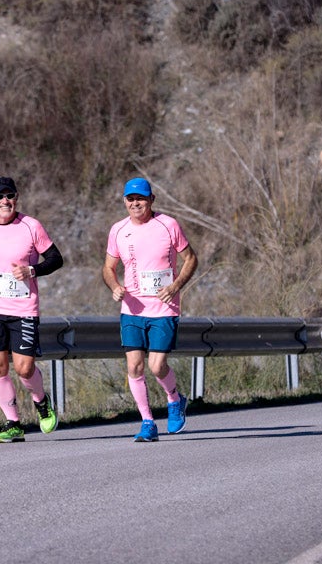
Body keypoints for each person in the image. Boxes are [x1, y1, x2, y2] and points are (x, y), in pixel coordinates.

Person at [0, 176, 63, 442]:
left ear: (16, 198)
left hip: (24, 309)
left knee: (25, 368)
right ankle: (13, 423)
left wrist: (32, 270)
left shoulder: (31, 226)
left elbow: (55, 259)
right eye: (0, 196)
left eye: (10, 196)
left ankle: (41, 402)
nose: (6, 201)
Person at [102, 176, 198, 442]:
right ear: (124, 202)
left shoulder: (168, 225)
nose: (136, 204)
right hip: (132, 308)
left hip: (163, 308)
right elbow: (108, 267)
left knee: (157, 367)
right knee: (134, 366)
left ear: (151, 200)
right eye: (131, 199)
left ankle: (175, 399)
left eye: (141, 199)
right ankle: (147, 422)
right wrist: (114, 286)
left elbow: (190, 258)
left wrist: (176, 285)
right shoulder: (118, 230)